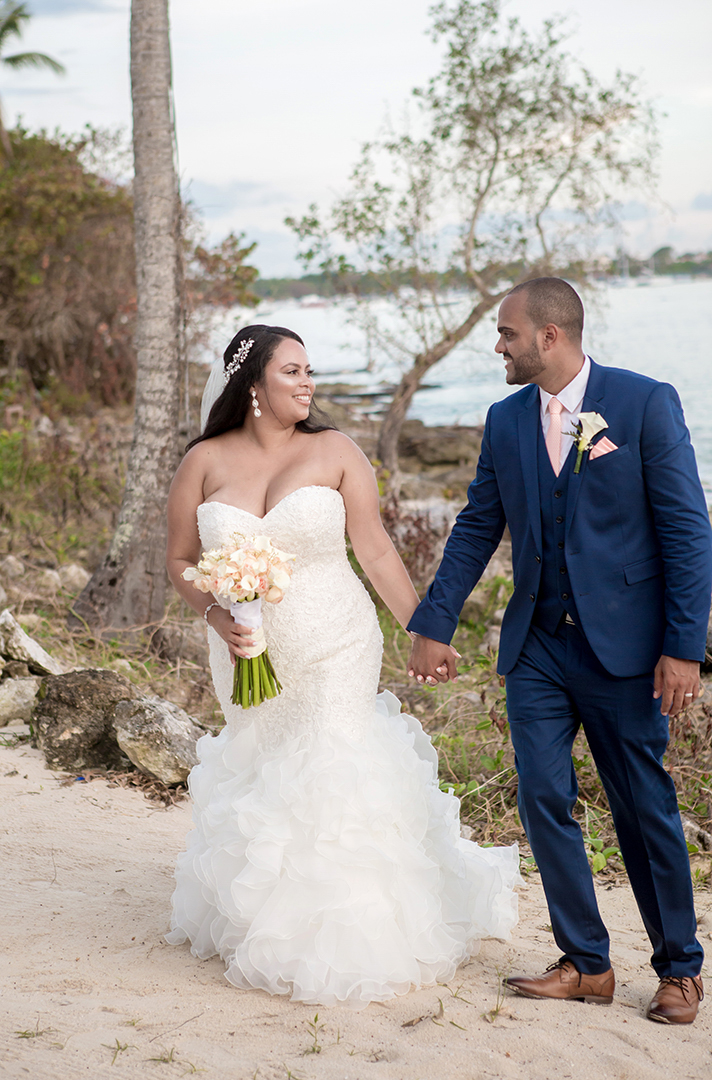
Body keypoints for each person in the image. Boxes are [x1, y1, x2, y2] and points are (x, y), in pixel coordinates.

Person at [164, 324, 519, 1008]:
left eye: (310, 370)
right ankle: (270, 917)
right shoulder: (203, 461)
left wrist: (427, 627)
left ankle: (347, 936)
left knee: (332, 764)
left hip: (336, 640)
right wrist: (217, 615)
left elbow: (376, 548)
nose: (308, 383)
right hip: (245, 652)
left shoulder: (335, 451)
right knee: (268, 767)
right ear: (254, 386)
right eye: (293, 371)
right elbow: (181, 561)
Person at [407, 278, 712, 1025]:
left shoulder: (643, 403)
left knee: (645, 810)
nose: (499, 346)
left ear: (550, 336)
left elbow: (687, 531)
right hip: (538, 645)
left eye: (507, 334)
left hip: (628, 652)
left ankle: (679, 969)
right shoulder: (505, 419)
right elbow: (480, 525)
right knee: (543, 797)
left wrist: (683, 648)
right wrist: (434, 619)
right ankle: (586, 962)